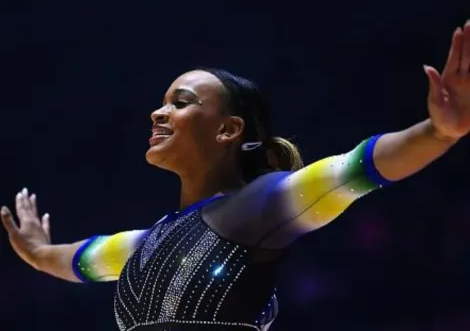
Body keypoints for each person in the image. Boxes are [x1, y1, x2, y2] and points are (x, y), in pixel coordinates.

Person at [2, 21, 470, 331]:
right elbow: (80, 260)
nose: (158, 113)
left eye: (180, 103)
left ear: (228, 130)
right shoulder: (146, 244)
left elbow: (354, 169)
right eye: (162, 102)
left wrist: (436, 132)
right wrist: (38, 252)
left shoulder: (257, 206)